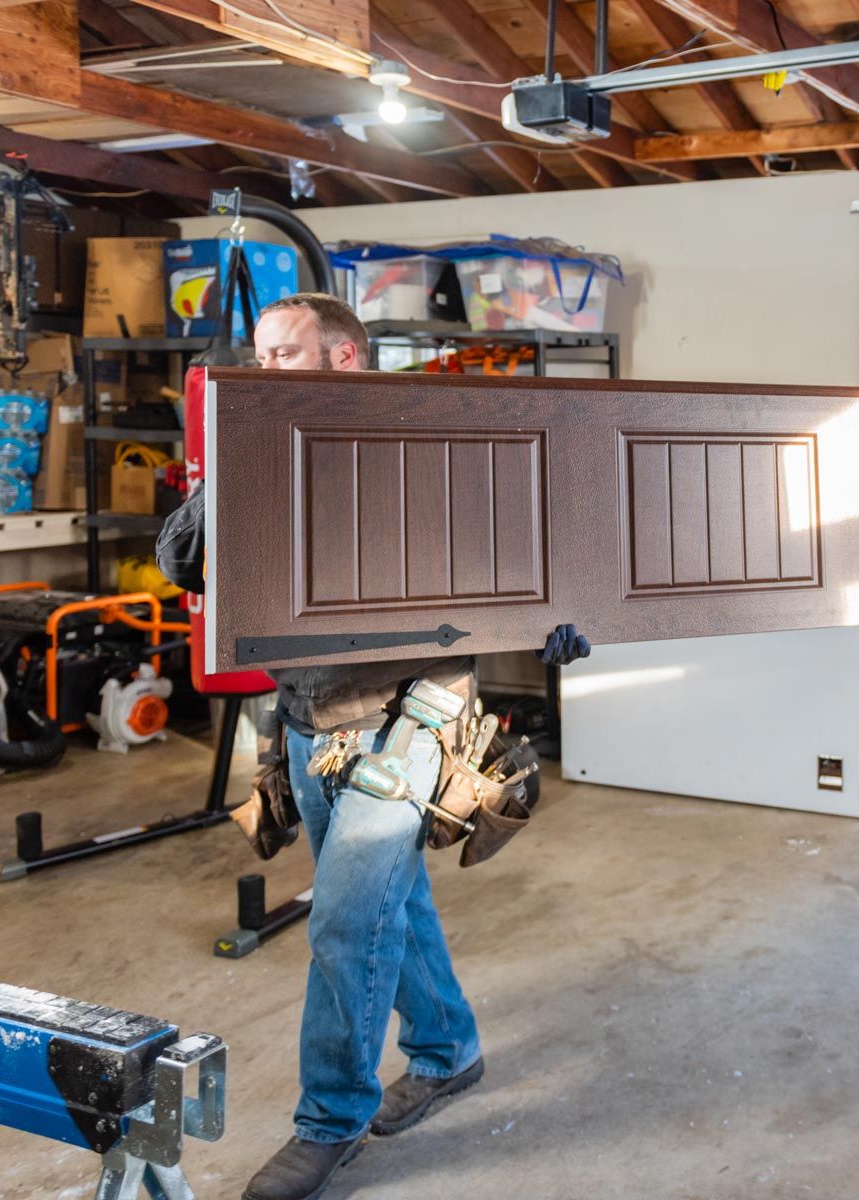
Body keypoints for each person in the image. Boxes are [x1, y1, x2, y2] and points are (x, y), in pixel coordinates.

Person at [156, 293, 591, 1200]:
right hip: (306, 718)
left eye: (283, 355)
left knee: (348, 923)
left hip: (409, 718)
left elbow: (524, 538)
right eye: (259, 355)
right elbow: (181, 561)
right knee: (395, 903)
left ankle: (330, 1122)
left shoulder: (425, 435)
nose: (262, 369)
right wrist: (230, 459)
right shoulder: (266, 443)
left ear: (344, 357)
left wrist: (564, 611)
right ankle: (448, 1049)